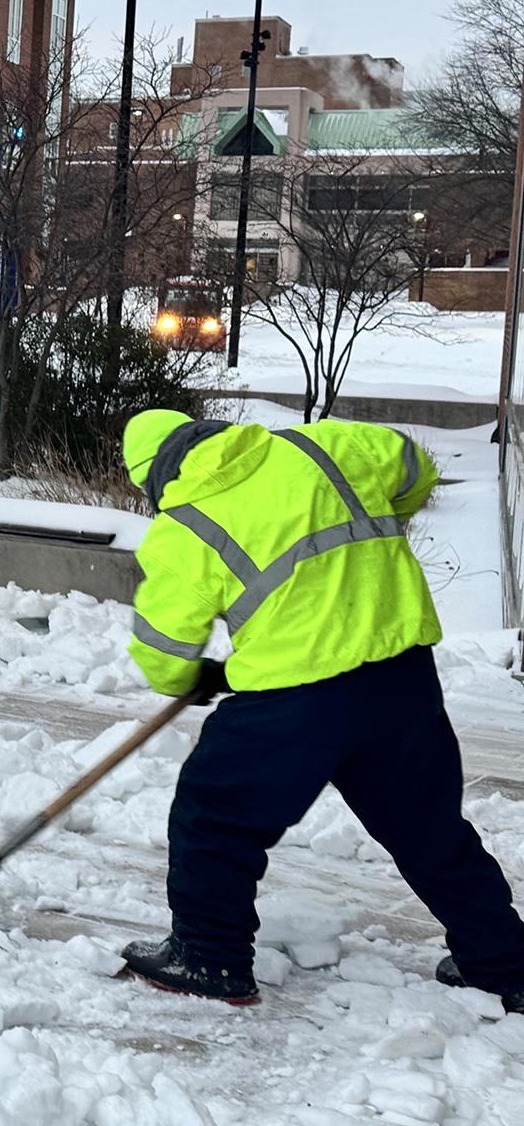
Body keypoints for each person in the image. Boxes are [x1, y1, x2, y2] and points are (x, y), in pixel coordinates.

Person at [118, 408, 524, 1009]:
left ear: (154, 478)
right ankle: (503, 964)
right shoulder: (326, 446)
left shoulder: (183, 527)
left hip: (294, 702)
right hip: (401, 679)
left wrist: (193, 677)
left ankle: (209, 957)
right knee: (429, 829)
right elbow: (413, 464)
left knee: (214, 815)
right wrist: (382, 528)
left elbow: (161, 651)